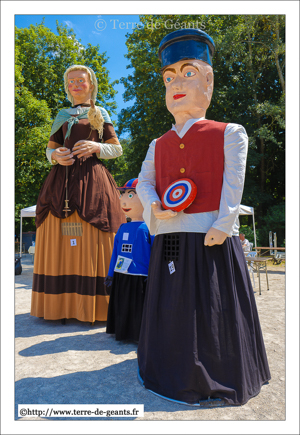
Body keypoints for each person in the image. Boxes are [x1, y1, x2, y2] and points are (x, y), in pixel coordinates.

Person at [136, 29, 270, 406]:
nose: (176, 83)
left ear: (208, 81)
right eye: (168, 77)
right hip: (170, 239)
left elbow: (234, 183)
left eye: (188, 73)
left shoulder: (230, 132)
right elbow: (144, 181)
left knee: (213, 310)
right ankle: (169, 369)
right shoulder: (156, 143)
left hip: (210, 237)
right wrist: (154, 206)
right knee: (171, 309)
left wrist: (223, 225)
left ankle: (219, 372)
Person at [31, 65, 126, 323]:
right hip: (60, 184)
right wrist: (55, 156)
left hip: (92, 182)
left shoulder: (100, 112)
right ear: (67, 85)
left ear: (91, 84)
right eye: (71, 81)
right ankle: (58, 306)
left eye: (80, 81)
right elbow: (50, 150)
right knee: (61, 239)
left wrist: (96, 146)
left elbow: (116, 149)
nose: (75, 85)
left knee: (93, 238)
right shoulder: (61, 114)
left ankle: (96, 307)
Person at [105, 179, 154, 342]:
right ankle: (121, 330)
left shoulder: (150, 228)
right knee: (123, 306)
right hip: (122, 274)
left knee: (137, 308)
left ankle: (138, 334)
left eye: (131, 194)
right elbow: (115, 253)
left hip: (141, 276)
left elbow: (155, 253)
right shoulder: (122, 228)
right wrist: (111, 274)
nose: (124, 200)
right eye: (123, 194)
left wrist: (154, 274)